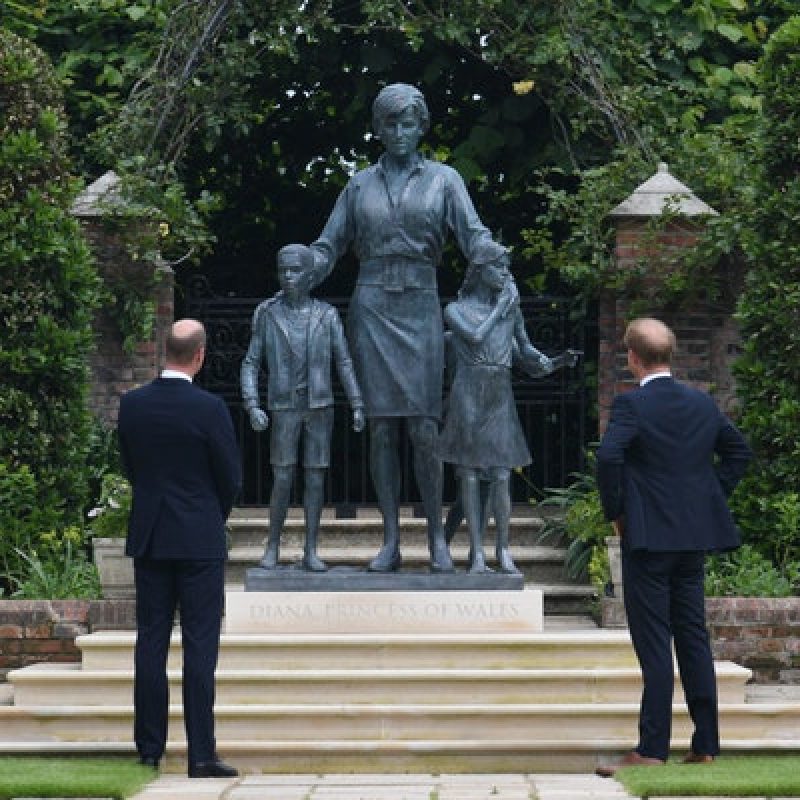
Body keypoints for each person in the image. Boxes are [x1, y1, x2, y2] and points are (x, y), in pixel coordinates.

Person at [310, 82, 497, 573]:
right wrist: (303, 265)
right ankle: (391, 540)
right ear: (377, 127)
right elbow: (328, 246)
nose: (398, 131)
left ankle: (436, 536)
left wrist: (495, 264)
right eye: (390, 122)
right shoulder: (359, 186)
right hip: (371, 306)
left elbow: (473, 236)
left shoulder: (445, 180)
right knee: (381, 431)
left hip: (419, 303)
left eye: (408, 122)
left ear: (422, 126)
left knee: (423, 428)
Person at [594, 317, 752, 776]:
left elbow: (608, 457)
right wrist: (707, 497)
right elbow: (738, 453)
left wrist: (618, 512)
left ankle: (651, 749)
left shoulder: (632, 406)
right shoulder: (701, 403)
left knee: (655, 644)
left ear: (633, 358)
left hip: (647, 541)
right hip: (692, 541)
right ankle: (705, 743)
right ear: (671, 355)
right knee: (693, 636)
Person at [118, 318, 242, 779]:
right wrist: (211, 514)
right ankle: (201, 755)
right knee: (200, 646)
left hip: (151, 536)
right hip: (198, 539)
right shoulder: (209, 408)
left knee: (150, 642)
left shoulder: (132, 406)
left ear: (162, 352)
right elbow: (229, 475)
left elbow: (131, 466)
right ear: (199, 356)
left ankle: (149, 749)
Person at [241, 243, 365, 571]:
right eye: (284, 270)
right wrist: (252, 404)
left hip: (320, 406)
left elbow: (344, 362)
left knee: (315, 479)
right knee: (282, 479)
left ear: (310, 275)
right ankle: (273, 546)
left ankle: (311, 549)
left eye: (296, 270)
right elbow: (251, 363)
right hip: (284, 407)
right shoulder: (268, 314)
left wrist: (356, 403)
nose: (289, 276)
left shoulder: (326, 315)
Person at [437, 242, 557, 574]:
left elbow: (525, 351)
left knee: (502, 473)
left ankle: (502, 550)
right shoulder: (456, 309)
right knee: (471, 475)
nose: (505, 274)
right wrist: (500, 309)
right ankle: (476, 554)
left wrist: (547, 361)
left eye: (507, 268)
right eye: (499, 268)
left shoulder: (510, 310)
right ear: (480, 270)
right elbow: (474, 338)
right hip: (468, 391)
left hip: (499, 391)